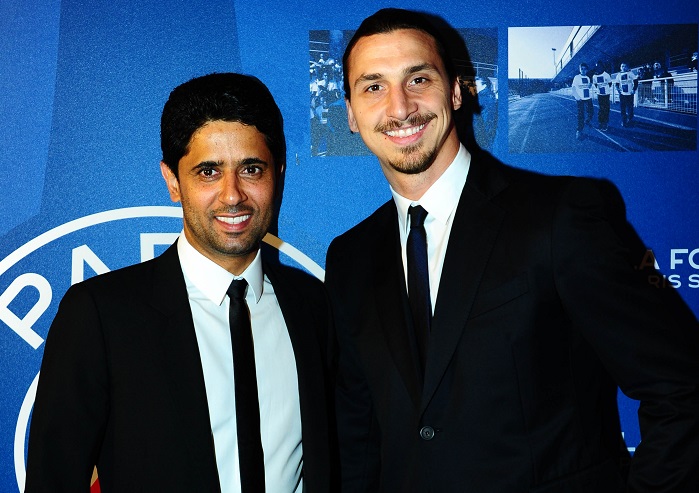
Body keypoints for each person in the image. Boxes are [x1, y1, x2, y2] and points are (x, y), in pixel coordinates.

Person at [324, 8, 699, 492]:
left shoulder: (560, 218)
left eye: (418, 79)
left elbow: (682, 390)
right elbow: (358, 437)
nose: (400, 107)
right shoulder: (350, 257)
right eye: (373, 86)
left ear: (455, 92)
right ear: (351, 114)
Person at [25, 73, 334, 492]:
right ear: (172, 181)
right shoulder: (100, 315)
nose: (232, 195)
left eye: (251, 169)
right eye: (208, 172)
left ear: (277, 175)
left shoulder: (314, 307)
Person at [571, 62, 593, 140]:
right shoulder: (577, 77)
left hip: (588, 98)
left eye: (585, 69)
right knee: (581, 115)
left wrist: (590, 85)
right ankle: (579, 130)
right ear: (579, 69)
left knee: (591, 112)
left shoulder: (588, 78)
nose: (583, 70)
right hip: (580, 99)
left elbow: (587, 87)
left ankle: (587, 121)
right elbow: (573, 88)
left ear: (587, 70)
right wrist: (577, 97)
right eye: (582, 69)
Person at [615, 62, 638, 127]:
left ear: (627, 67)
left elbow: (636, 81)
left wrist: (634, 89)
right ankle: (624, 120)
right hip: (622, 94)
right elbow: (617, 84)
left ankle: (630, 119)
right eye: (622, 66)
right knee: (623, 109)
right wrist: (618, 89)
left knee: (630, 108)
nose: (624, 68)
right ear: (620, 67)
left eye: (625, 66)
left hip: (630, 94)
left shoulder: (630, 73)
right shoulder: (618, 75)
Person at [592, 60, 613, 131]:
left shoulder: (606, 75)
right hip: (599, 95)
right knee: (601, 109)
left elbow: (610, 83)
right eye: (597, 67)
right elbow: (595, 84)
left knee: (606, 109)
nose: (599, 68)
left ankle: (605, 123)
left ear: (602, 67)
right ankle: (600, 122)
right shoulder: (594, 76)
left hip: (606, 95)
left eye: (600, 66)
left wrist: (605, 88)